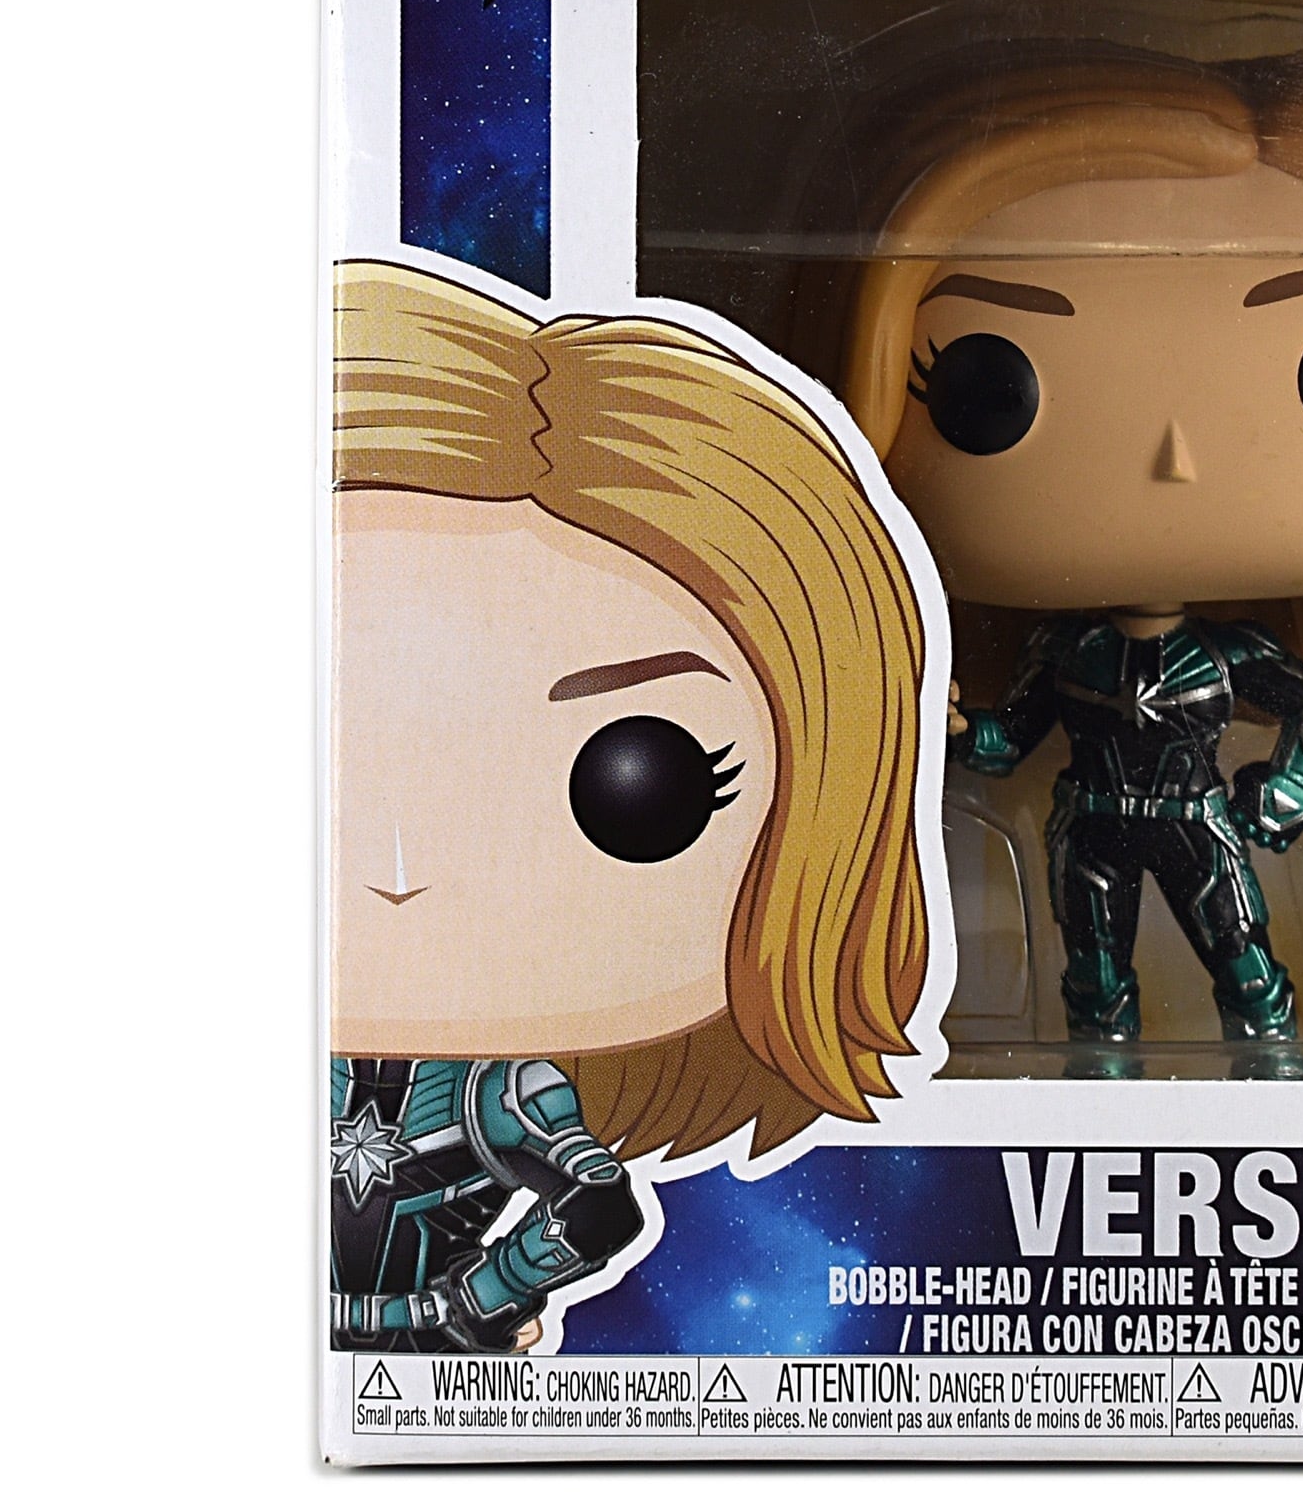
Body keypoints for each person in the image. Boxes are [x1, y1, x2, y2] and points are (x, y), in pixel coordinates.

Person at [840, 57, 1303, 1043]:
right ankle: (1101, 1084)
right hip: (1090, 821)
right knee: (1092, 984)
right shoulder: (1068, 656)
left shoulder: (1221, 655)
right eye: (984, 385)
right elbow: (1004, 740)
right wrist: (945, 725)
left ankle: (1270, 1073)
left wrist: (1288, 786)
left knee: (1247, 970)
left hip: (1197, 822)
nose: (1177, 456)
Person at [331, 261, 931, 1348]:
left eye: (641, 785)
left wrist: (473, 1300)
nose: (401, 872)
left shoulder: (496, 1096)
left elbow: (599, 1208)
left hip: (437, 1353)